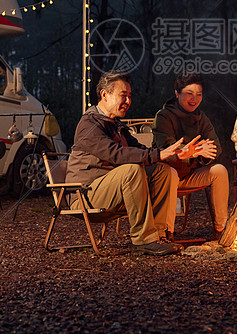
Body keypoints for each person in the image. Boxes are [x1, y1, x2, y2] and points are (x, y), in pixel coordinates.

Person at [65, 70, 214, 256]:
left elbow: (143, 151)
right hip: (85, 194)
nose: (128, 101)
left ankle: (160, 235)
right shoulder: (89, 124)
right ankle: (144, 240)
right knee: (132, 170)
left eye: (129, 96)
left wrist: (176, 154)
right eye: (123, 96)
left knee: (162, 170)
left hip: (111, 189)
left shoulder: (117, 125)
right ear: (105, 94)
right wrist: (159, 154)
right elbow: (117, 155)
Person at [152, 72, 228, 241]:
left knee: (219, 171)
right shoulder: (163, 116)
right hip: (164, 177)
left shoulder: (201, 118)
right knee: (170, 172)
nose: (194, 99)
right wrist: (189, 152)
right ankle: (165, 233)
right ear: (177, 93)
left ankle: (221, 229)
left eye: (198, 94)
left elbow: (216, 146)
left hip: (189, 174)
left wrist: (199, 155)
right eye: (189, 93)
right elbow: (166, 150)